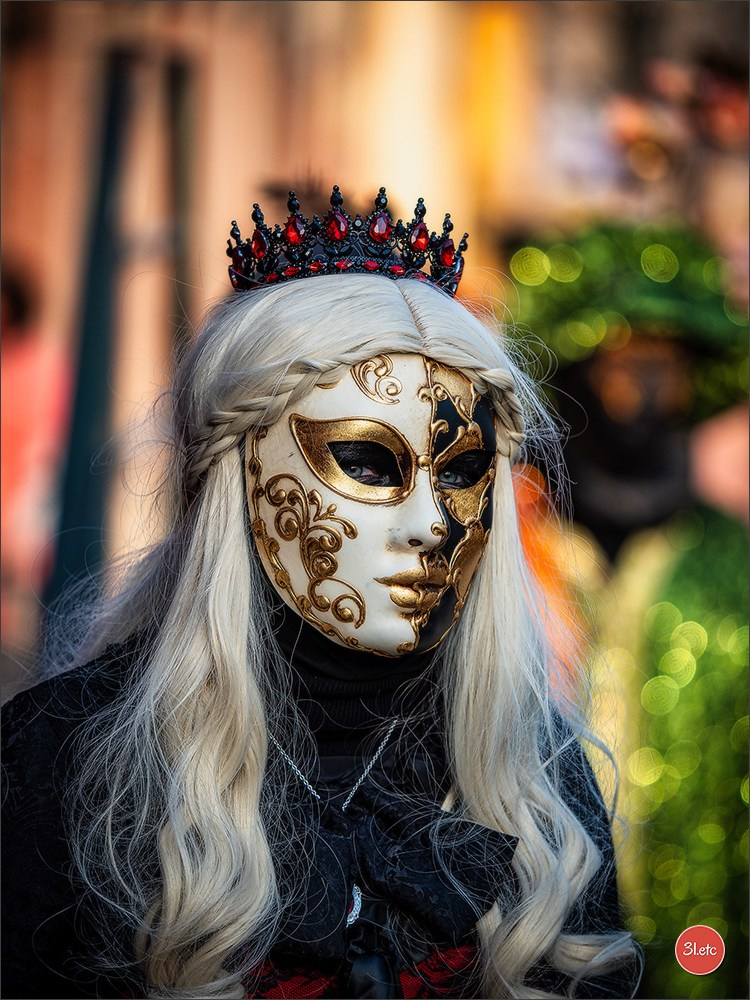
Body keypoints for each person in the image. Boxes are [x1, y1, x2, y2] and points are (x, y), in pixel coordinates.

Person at [2, 188, 640, 1000]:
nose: (430, 526)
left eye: (464, 471)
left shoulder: (539, 783)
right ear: (240, 475)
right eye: (369, 464)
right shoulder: (62, 764)